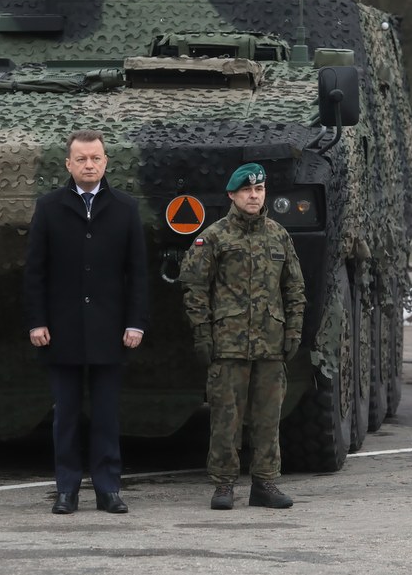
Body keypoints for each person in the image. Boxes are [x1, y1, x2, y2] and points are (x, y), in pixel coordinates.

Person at [23, 129, 149, 515]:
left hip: (111, 331)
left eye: (95, 158)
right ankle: (66, 489)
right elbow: (35, 272)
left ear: (106, 161)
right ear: (68, 164)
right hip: (62, 331)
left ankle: (109, 489)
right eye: (81, 159)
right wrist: (36, 322)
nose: (89, 164)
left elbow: (137, 273)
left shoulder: (126, 208)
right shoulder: (49, 207)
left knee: (107, 416)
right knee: (66, 416)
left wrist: (136, 323)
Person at [179, 162, 306, 510]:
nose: (254, 195)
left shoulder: (278, 235)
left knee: (267, 418)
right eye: (247, 190)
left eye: (260, 189)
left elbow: (294, 287)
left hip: (270, 343)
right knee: (225, 418)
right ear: (232, 195)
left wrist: (293, 330)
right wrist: (203, 334)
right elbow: (194, 288)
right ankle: (224, 485)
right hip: (228, 343)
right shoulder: (215, 236)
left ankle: (265, 483)